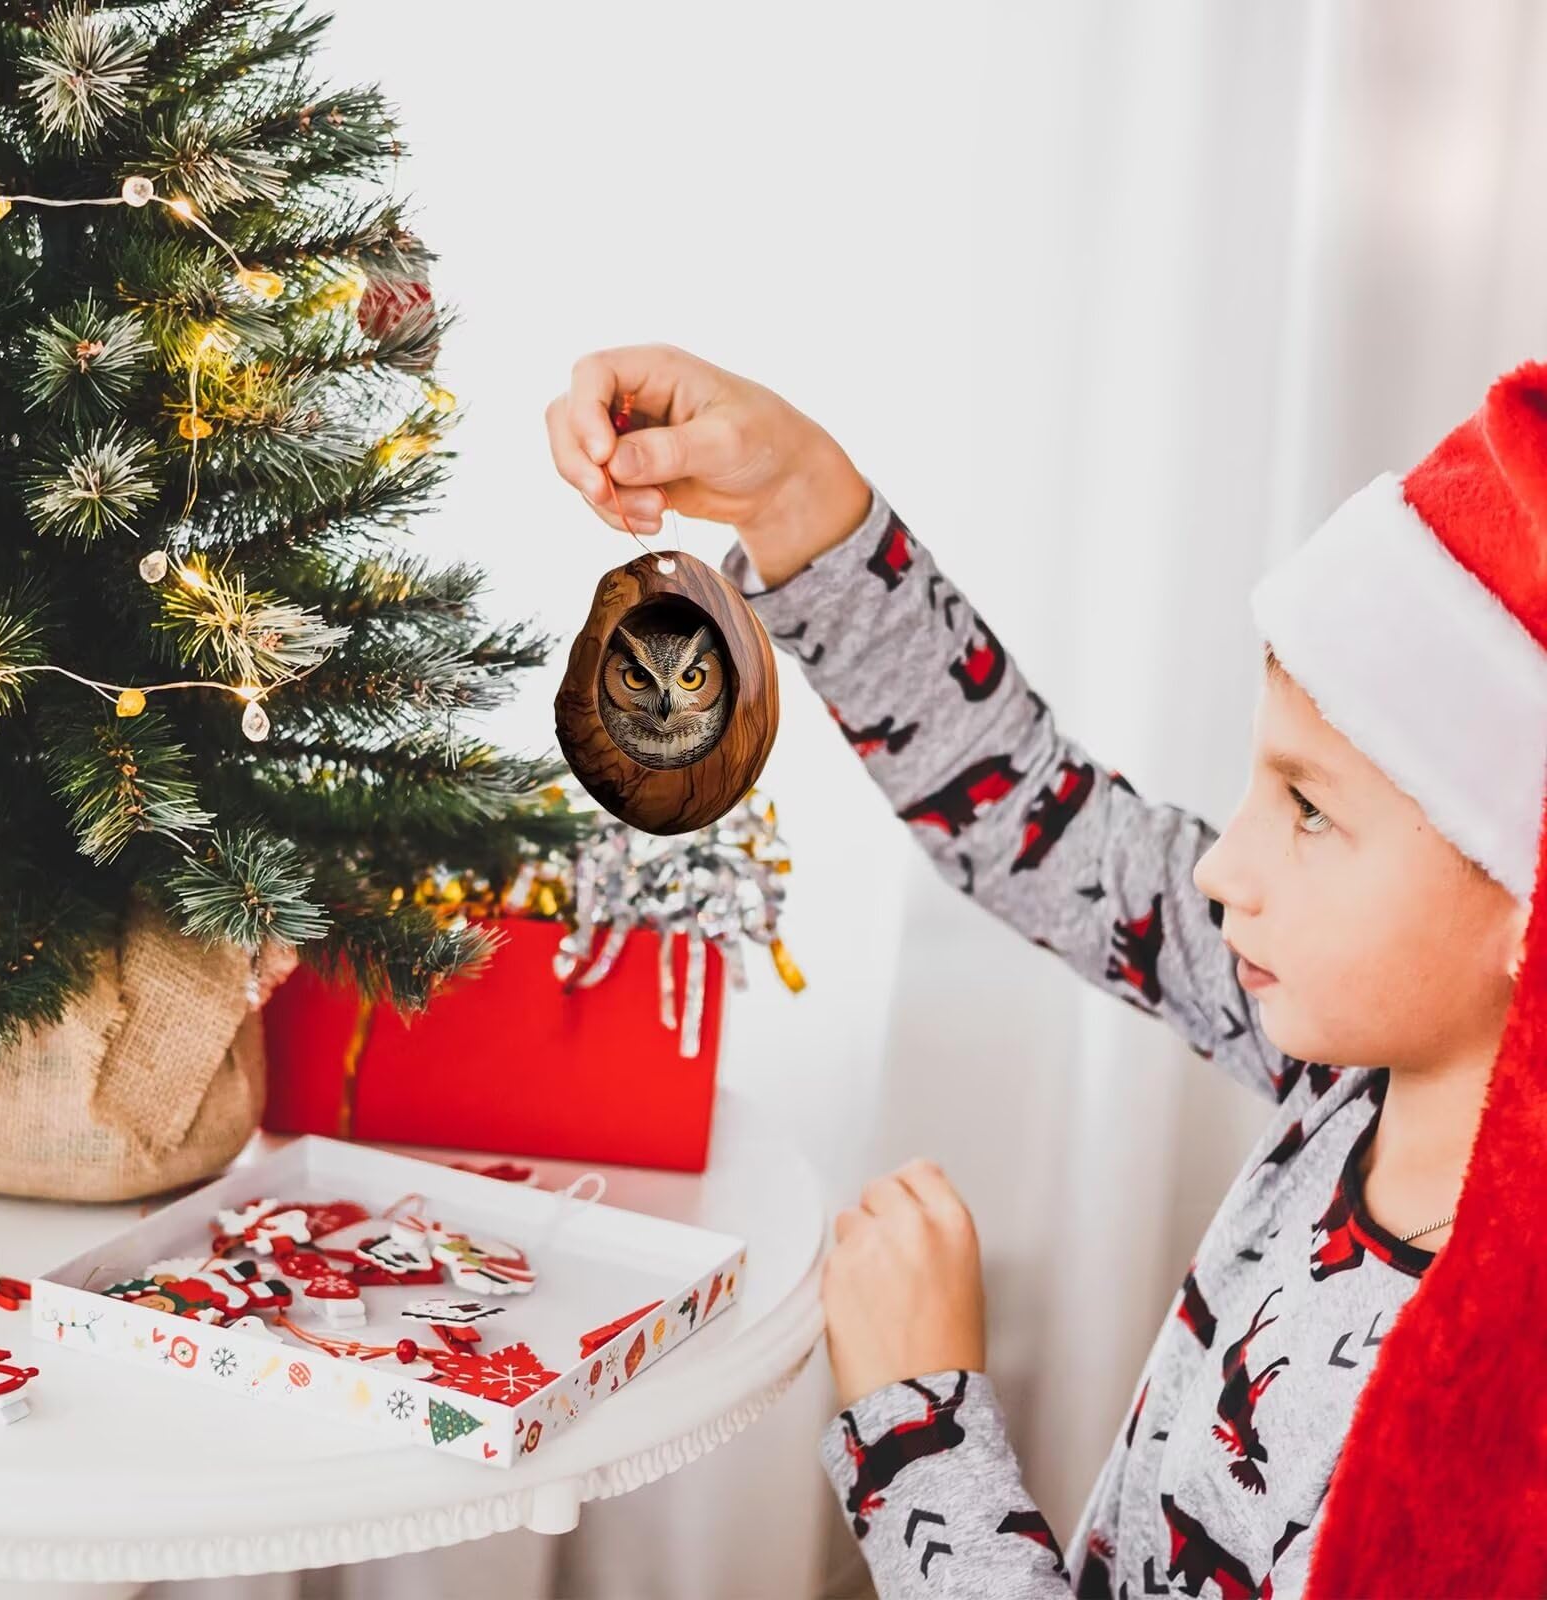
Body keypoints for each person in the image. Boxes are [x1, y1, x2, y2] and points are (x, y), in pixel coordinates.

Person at [544, 345, 1545, 1598]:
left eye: (1306, 811)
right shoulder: (1349, 1062)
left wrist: (922, 1432)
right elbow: (1040, 818)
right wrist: (798, 497)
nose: (1223, 867)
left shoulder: (1485, 1442)